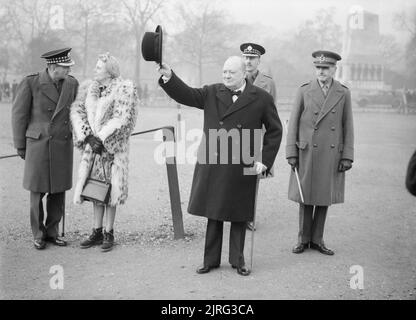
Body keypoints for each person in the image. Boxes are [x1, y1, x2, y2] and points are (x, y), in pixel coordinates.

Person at [157, 56, 282, 276]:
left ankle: (238, 260)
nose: (225, 76)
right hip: (215, 162)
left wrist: (265, 160)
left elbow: (275, 130)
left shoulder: (261, 98)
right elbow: (187, 94)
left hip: (244, 162)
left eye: (231, 73)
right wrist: (170, 78)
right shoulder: (212, 92)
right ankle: (210, 260)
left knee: (239, 214)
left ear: (244, 73)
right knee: (213, 212)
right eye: (224, 72)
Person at [286, 50, 354, 256]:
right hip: (307, 151)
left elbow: (348, 126)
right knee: (305, 195)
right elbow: (294, 123)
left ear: (334, 69)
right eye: (318, 68)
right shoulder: (304, 90)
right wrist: (291, 152)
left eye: (325, 68)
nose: (321, 71)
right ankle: (303, 238)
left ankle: (317, 239)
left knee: (324, 197)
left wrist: (347, 155)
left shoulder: (343, 92)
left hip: (331, 153)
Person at [11, 48, 79, 250]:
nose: (67, 71)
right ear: (52, 67)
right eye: (64, 68)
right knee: (37, 191)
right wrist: (20, 145)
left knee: (58, 191)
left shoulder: (72, 84)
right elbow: (18, 115)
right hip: (38, 145)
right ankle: (38, 234)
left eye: (68, 68)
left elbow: (77, 112)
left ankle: (52, 232)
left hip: (62, 143)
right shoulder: (31, 82)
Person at [71, 52, 139, 252]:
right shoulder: (89, 89)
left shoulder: (124, 89)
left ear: (109, 71)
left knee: (111, 190)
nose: (94, 70)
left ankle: (109, 232)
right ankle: (96, 230)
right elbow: (77, 111)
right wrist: (87, 136)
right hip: (93, 148)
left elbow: (123, 119)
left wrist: (102, 138)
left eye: (99, 67)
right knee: (94, 189)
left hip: (112, 149)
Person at [240, 42, 277, 231]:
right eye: (245, 57)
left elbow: (272, 114)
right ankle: (234, 213)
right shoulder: (236, 78)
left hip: (257, 138)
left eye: (252, 58)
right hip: (237, 137)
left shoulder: (267, 83)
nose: (248, 61)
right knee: (233, 176)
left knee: (252, 177)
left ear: (258, 60)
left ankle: (248, 216)